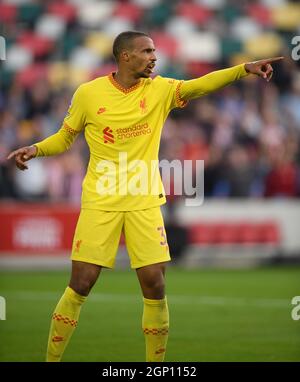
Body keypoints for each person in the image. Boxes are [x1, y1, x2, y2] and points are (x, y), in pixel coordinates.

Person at [7, 31, 283, 362]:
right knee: (81, 281)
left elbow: (200, 84)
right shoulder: (89, 94)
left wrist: (243, 69)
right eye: (146, 51)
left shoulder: (160, 89)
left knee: (155, 285)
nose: (154, 56)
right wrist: (35, 149)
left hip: (144, 200)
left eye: (154, 51)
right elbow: (66, 138)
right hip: (101, 199)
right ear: (125, 57)